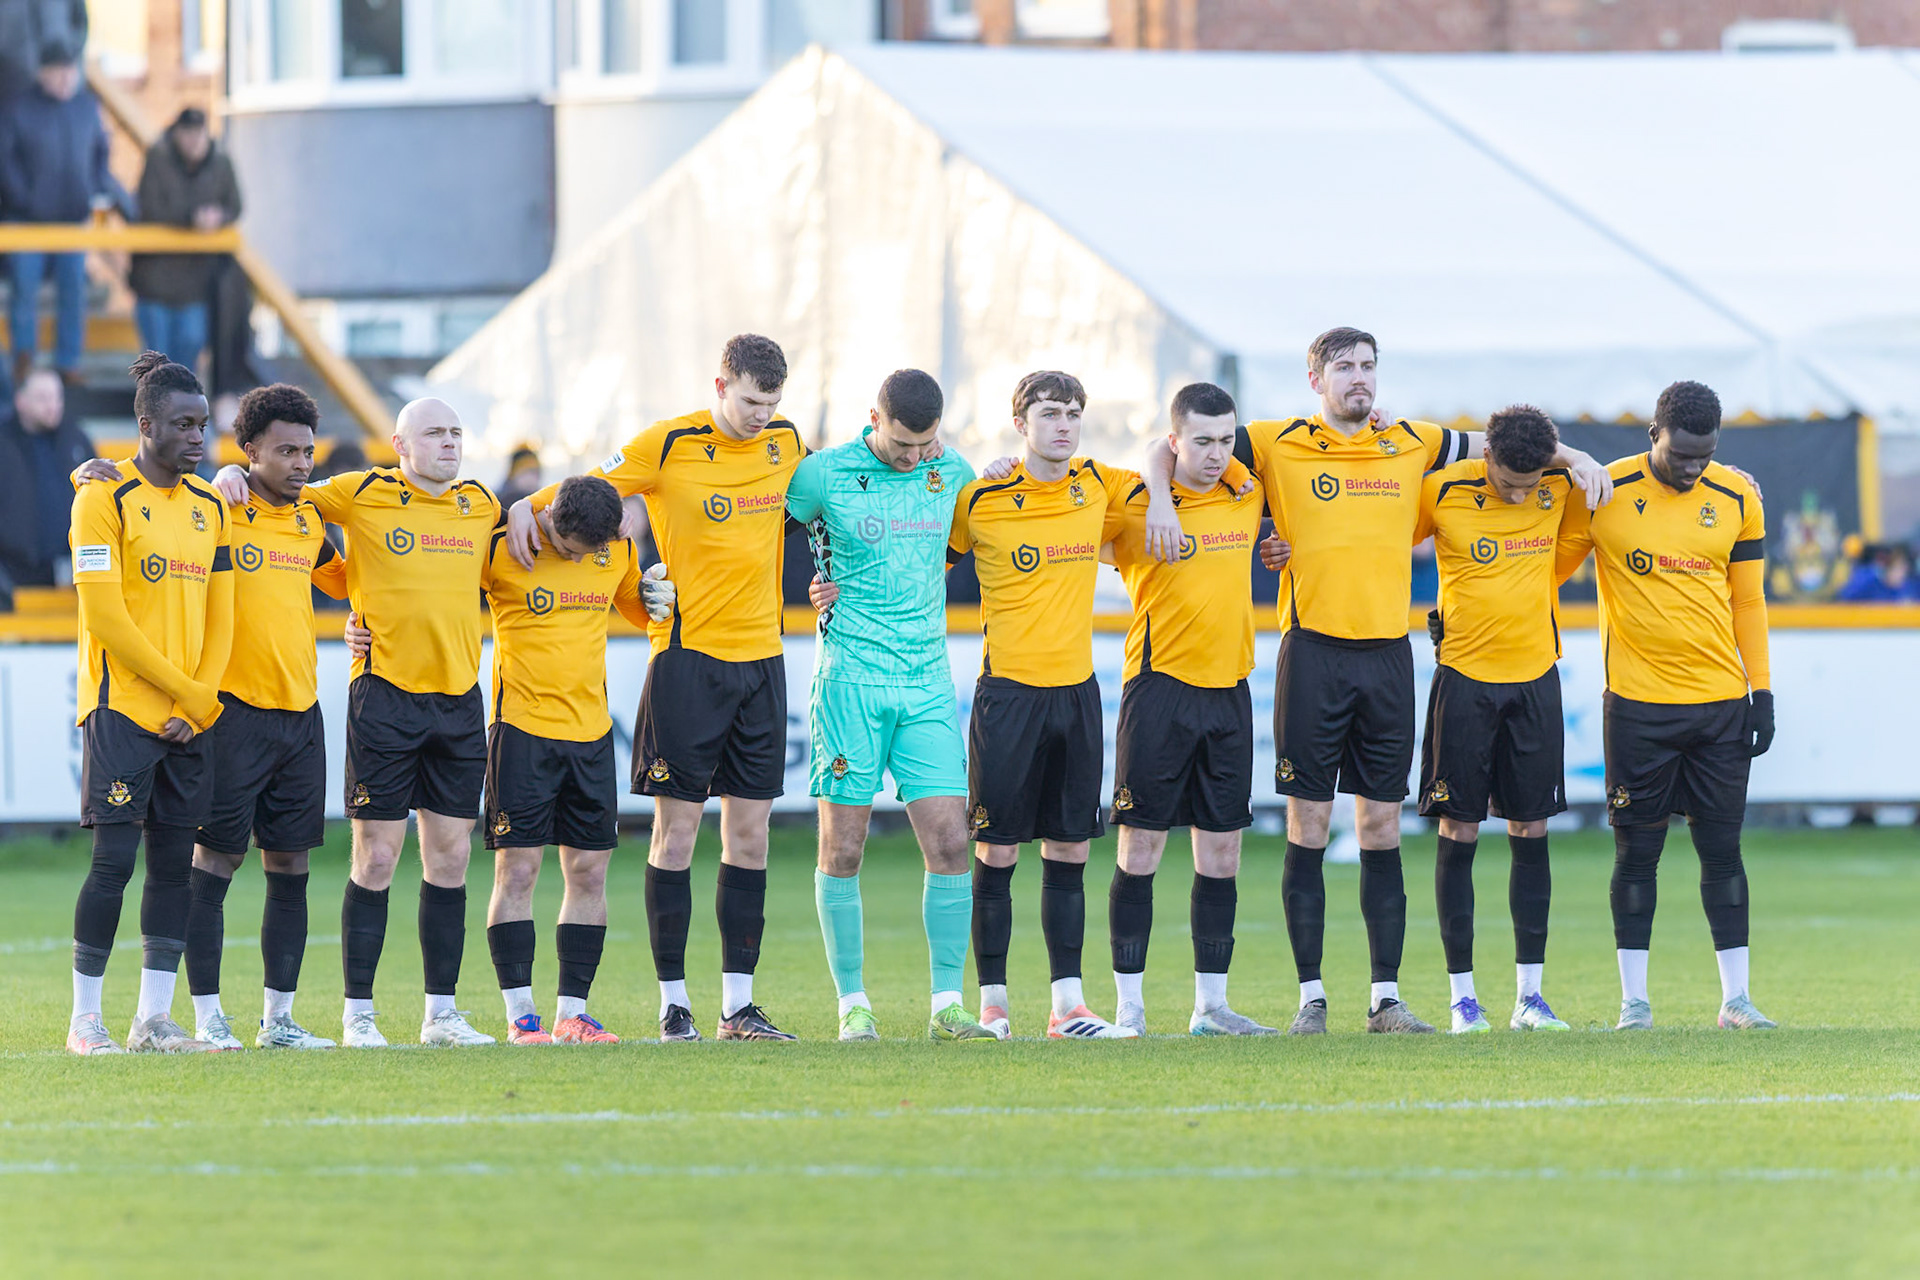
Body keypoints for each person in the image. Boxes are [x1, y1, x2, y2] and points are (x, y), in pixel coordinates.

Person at [1154, 326, 1608, 1036]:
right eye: (1344, 367)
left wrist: (1573, 454)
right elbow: (1175, 442)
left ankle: (1385, 999)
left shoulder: (1416, 441)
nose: (1359, 377)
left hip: (1388, 657)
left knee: (1381, 825)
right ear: (1316, 379)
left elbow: (1503, 444)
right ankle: (1311, 999)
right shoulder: (1275, 441)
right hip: (1311, 653)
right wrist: (1156, 495)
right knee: (1307, 825)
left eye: (1368, 365)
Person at [504, 334, 804, 1042]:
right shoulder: (668, 445)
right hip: (687, 661)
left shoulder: (788, 443)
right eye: (752, 400)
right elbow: (587, 489)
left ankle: (738, 1006)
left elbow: (838, 488)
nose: (763, 415)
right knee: (676, 834)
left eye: (772, 403)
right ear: (720, 385)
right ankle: (675, 1003)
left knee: (750, 836)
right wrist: (521, 507)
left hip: (763, 661)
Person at [210, 398, 505, 1047]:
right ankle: (358, 1016)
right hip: (385, 696)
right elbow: (287, 494)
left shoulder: (481, 504)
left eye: (456, 432)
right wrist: (229, 478)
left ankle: (442, 1016)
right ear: (400, 443)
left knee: (450, 857)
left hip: (459, 698)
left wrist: (539, 508)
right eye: (434, 433)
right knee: (376, 854)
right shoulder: (362, 492)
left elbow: (517, 549)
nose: (449, 443)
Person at [947, 370, 1193, 1040]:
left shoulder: (1097, 484)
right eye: (1051, 413)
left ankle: (1068, 1007)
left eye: (1075, 414)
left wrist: (1163, 505)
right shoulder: (981, 498)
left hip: (1076, 696)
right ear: (1020, 421)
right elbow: (921, 563)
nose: (1065, 425)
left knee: (1070, 853)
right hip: (1007, 696)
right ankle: (994, 1005)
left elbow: (1165, 453)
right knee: (996, 854)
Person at [1553, 380, 1777, 1031]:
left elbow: (1749, 602)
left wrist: (1760, 690)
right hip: (1638, 709)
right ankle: (1634, 1005)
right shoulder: (1604, 491)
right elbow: (1543, 571)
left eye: (1704, 456)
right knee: (1637, 855)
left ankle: (1736, 1000)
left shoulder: (1737, 497)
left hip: (1720, 710)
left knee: (1723, 852)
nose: (1691, 468)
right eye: (1681, 455)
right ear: (1654, 434)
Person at [788, 369, 996, 1042]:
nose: (915, 457)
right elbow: (763, 536)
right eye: (903, 444)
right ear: (872, 418)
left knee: (950, 842)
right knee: (843, 849)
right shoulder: (822, 475)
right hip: (850, 681)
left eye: (926, 443)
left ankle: (946, 1004)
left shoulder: (953, 471)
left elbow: (972, 542)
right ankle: (853, 1001)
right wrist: (811, 586)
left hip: (928, 683)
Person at [63, 352, 232, 1054]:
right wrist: (188, 692)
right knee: (114, 862)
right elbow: (105, 619)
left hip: (188, 720)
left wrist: (201, 702)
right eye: (183, 426)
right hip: (123, 711)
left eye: (203, 426)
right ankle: (85, 1021)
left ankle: (153, 1021)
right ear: (145, 425)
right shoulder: (101, 497)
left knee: (173, 866)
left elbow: (224, 616)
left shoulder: (211, 506)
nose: (197, 438)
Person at [1103, 383, 1276, 1037]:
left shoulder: (1246, 488)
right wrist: (1161, 497)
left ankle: (1212, 1007)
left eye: (1226, 439)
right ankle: (1130, 1009)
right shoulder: (1135, 502)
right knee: (1141, 846)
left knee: (1223, 853)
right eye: (1201, 440)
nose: (1216, 453)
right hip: (1159, 688)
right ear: (1174, 440)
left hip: (1230, 688)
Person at [1410, 405, 1579, 1034]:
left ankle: (1530, 999)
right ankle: (1463, 999)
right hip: (1464, 682)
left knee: (1530, 831)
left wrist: (1578, 459)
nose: (1519, 492)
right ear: (1485, 457)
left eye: (1530, 481)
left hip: (1536, 680)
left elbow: (1643, 478)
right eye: (1508, 481)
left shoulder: (1559, 484)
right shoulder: (1443, 489)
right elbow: (1375, 532)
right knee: (1460, 832)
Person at [0, 40, 126, 385]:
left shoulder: (87, 107)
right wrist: (24, 199)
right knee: (24, 293)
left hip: (73, 221)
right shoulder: (18, 108)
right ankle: (24, 359)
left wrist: (96, 192)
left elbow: (101, 153)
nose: (65, 79)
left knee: (73, 293)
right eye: (58, 72)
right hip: (26, 223)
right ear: (42, 72)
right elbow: (5, 161)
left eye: (70, 71)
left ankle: (68, 361)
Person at [129, 107, 241, 373]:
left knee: (189, 355)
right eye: (187, 133)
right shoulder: (157, 158)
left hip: (196, 284)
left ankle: (182, 413)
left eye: (198, 133)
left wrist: (219, 216)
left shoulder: (221, 162)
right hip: (155, 281)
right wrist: (192, 219)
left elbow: (235, 206)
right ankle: (156, 413)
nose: (193, 140)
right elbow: (148, 207)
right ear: (177, 134)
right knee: (157, 364)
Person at [0, 365, 91, 588]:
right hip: (9, 573)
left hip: (65, 573)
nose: (52, 405)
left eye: (57, 397)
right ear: (21, 400)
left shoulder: (76, 439)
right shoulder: (3, 441)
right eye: (42, 398)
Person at [1835, 542, 1920, 602]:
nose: (1900, 572)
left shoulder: (1912, 587)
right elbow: (1846, 597)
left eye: (1903, 567)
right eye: (1895, 568)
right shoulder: (1872, 586)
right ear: (1887, 569)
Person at [496, 444, 542, 509]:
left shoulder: (543, 502)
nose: (534, 478)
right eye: (529, 471)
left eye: (537, 473)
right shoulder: (499, 502)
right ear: (514, 473)